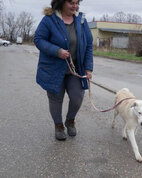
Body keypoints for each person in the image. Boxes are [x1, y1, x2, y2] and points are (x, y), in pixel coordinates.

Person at [34, 0, 93, 141]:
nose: (75, 6)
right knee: (56, 99)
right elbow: (38, 39)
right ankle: (59, 125)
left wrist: (88, 68)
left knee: (77, 97)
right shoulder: (49, 19)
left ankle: (70, 120)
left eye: (77, 2)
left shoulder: (82, 21)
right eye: (71, 2)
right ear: (61, 2)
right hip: (53, 69)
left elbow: (89, 45)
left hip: (75, 69)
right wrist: (57, 51)